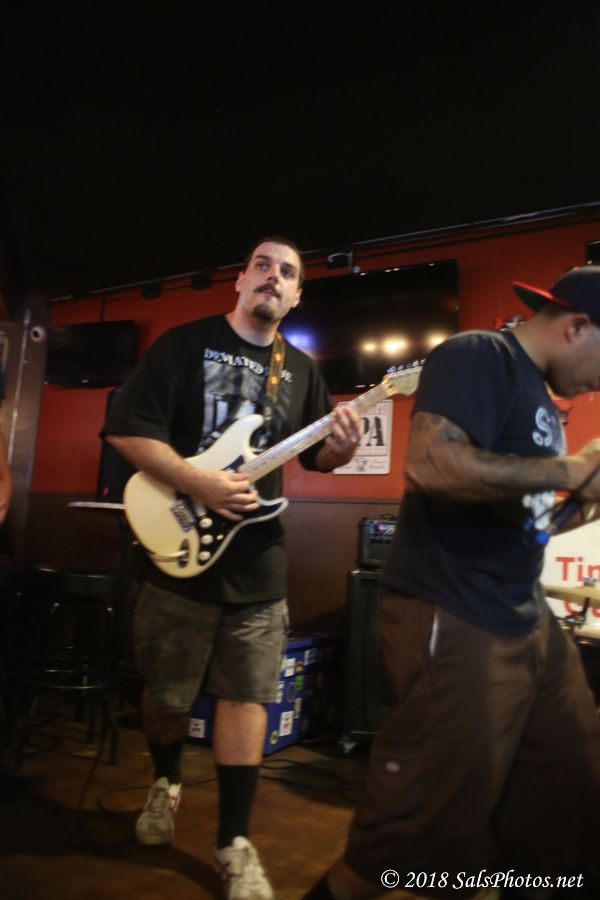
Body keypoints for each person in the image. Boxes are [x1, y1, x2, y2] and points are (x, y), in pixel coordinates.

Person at [305, 265, 600, 900]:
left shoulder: (541, 395)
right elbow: (432, 463)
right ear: (578, 327)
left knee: (567, 791)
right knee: (410, 833)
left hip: (525, 615)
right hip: (457, 608)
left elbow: (525, 512)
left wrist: (582, 498)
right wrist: (568, 469)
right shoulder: (479, 354)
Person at [103, 236, 362, 900]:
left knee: (249, 696)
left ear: (297, 295)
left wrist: (343, 446)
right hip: (177, 549)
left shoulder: (300, 370)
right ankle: (166, 779)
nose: (274, 277)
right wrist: (199, 484)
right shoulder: (184, 345)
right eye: (263, 266)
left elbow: (318, 460)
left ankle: (233, 841)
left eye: (288, 272)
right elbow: (128, 430)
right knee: (167, 700)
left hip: (258, 557)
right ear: (241, 280)